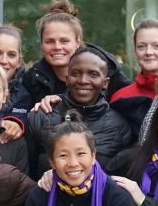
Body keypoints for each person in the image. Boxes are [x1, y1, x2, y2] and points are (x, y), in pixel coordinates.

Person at [27, 46, 135, 175]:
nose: (83, 80)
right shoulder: (42, 115)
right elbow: (28, 173)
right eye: (76, 73)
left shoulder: (120, 126)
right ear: (67, 79)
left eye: (93, 74)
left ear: (105, 83)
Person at [14, 0, 130, 111]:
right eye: (50, 41)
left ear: (77, 42)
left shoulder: (110, 72)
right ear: (42, 45)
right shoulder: (32, 80)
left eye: (64, 41)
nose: (57, 47)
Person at [110, 19, 158, 130]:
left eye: (156, 46)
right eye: (141, 46)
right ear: (135, 52)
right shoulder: (121, 98)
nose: (148, 52)